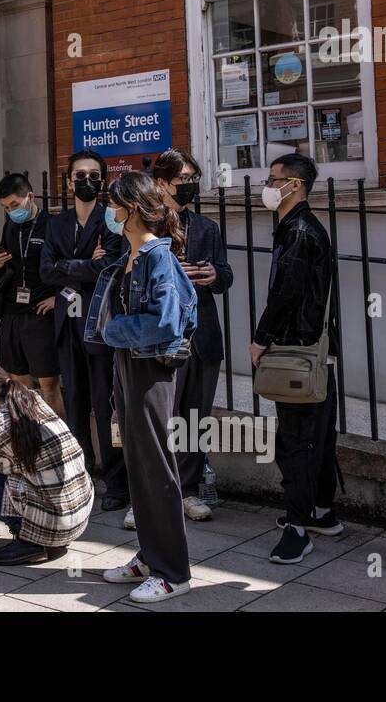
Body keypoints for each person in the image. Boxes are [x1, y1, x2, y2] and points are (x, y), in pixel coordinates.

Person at [87, 172, 197, 604]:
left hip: (150, 369)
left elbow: (167, 322)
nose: (109, 213)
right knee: (137, 460)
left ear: (132, 209)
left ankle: (173, 571)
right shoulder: (131, 254)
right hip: (129, 365)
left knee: (155, 465)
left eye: (114, 205)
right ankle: (151, 556)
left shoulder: (156, 257)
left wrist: (115, 331)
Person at [251, 153, 343, 564]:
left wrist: (260, 339)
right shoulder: (296, 227)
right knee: (319, 434)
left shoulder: (300, 231)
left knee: (296, 439)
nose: (268, 187)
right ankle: (322, 511)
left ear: (296, 186)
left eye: (275, 180)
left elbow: (285, 294)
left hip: (297, 348)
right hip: (315, 349)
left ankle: (297, 526)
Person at [40, 150, 129, 515]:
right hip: (67, 323)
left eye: (94, 175)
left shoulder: (112, 219)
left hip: (100, 322)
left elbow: (112, 266)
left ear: (103, 180)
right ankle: (81, 473)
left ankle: (117, 482)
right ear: (68, 180)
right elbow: (46, 270)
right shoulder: (56, 223)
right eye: (80, 175)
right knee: (74, 402)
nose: (86, 181)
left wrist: (69, 266)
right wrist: (84, 265)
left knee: (104, 402)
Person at [153, 149, 234, 522]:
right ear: (161, 182)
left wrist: (214, 275)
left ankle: (186, 489)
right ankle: (156, 492)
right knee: (162, 418)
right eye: (182, 179)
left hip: (203, 335)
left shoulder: (206, 227)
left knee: (194, 419)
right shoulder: (147, 224)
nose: (188, 187)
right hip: (166, 337)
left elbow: (226, 275)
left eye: (192, 180)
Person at [0, 361, 94, 565]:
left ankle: (31, 542)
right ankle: (42, 535)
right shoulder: (33, 399)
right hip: (79, 517)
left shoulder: (0, 424)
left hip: (57, 524)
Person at [0, 172, 63, 418]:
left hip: (40, 313)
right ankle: (29, 441)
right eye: (5, 207)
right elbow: (0, 274)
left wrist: (59, 298)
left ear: (30, 197)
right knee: (18, 385)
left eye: (14, 205)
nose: (11, 211)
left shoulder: (52, 225)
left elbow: (67, 267)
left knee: (48, 386)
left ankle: (60, 444)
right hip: (12, 312)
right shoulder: (10, 226)